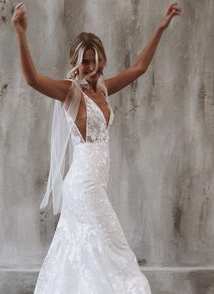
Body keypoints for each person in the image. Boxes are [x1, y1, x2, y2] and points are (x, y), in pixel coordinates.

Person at [12, 2, 182, 293]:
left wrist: (161, 27)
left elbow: (139, 68)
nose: (91, 67)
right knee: (114, 250)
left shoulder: (101, 88)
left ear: (102, 59)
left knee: (86, 255)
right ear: (75, 63)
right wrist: (20, 32)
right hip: (83, 186)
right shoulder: (70, 92)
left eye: (96, 60)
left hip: (95, 184)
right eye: (85, 62)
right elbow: (33, 79)